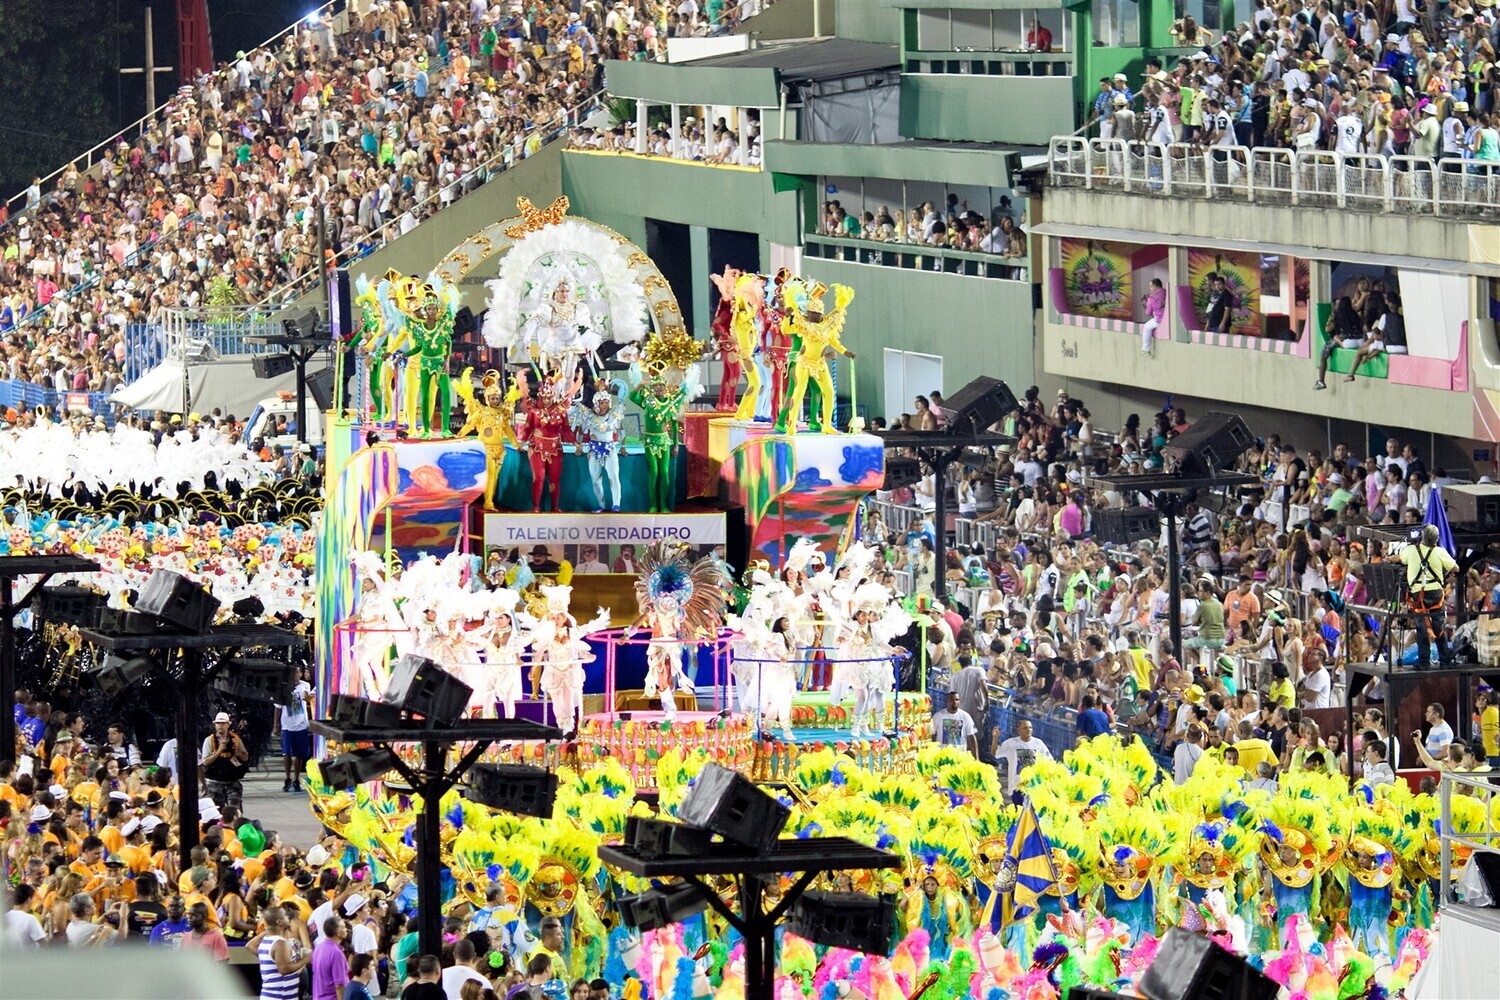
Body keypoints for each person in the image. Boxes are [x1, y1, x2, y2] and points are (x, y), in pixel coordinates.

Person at [1401, 524, 1456, 667]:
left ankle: (1423, 663)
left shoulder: (1411, 550)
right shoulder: (1440, 552)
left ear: (1422, 537)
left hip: (1417, 595)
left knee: (1421, 628)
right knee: (1439, 627)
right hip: (1435, 593)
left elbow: (1399, 558)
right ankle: (1445, 661)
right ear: (1436, 539)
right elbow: (1456, 568)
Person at [254, 905, 313, 1000]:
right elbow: (284, 969)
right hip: (280, 996)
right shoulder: (279, 943)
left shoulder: (267, 940)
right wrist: (305, 960)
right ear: (279, 922)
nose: (288, 917)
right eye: (285, 915)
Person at [200, 712, 249, 809]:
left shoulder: (236, 739)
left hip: (232, 782)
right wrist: (218, 752)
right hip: (214, 783)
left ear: (228, 724)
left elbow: (245, 757)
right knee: (215, 812)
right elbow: (205, 762)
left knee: (235, 810)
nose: (220, 725)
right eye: (218, 723)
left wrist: (237, 753)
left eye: (223, 723)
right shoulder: (209, 740)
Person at [277, 668, 314, 793]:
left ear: (300, 674)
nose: (295, 675)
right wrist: (276, 725)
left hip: (301, 724)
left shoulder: (305, 685)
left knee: (300, 754)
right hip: (287, 725)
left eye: (297, 672)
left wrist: (307, 696)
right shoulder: (283, 687)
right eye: (293, 672)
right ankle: (287, 778)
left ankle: (296, 779)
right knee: (287, 752)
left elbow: (307, 698)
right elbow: (278, 707)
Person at [996, 718, 1052, 794]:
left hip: (1034, 788)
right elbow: (995, 753)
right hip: (1017, 787)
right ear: (1018, 730)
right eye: (1025, 728)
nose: (1028, 730)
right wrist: (995, 738)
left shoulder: (1039, 743)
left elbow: (1049, 761)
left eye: (1030, 727)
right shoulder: (1011, 743)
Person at [312, 916, 351, 1000]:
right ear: (337, 931)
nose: (346, 929)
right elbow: (339, 986)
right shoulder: (337, 953)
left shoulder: (318, 948)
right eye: (343, 927)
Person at [930, 691, 979, 756]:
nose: (954, 702)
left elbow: (972, 736)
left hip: (960, 757)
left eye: (956, 700)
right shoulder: (938, 716)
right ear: (947, 701)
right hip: (942, 756)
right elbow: (930, 734)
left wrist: (976, 757)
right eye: (951, 700)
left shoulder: (966, 716)